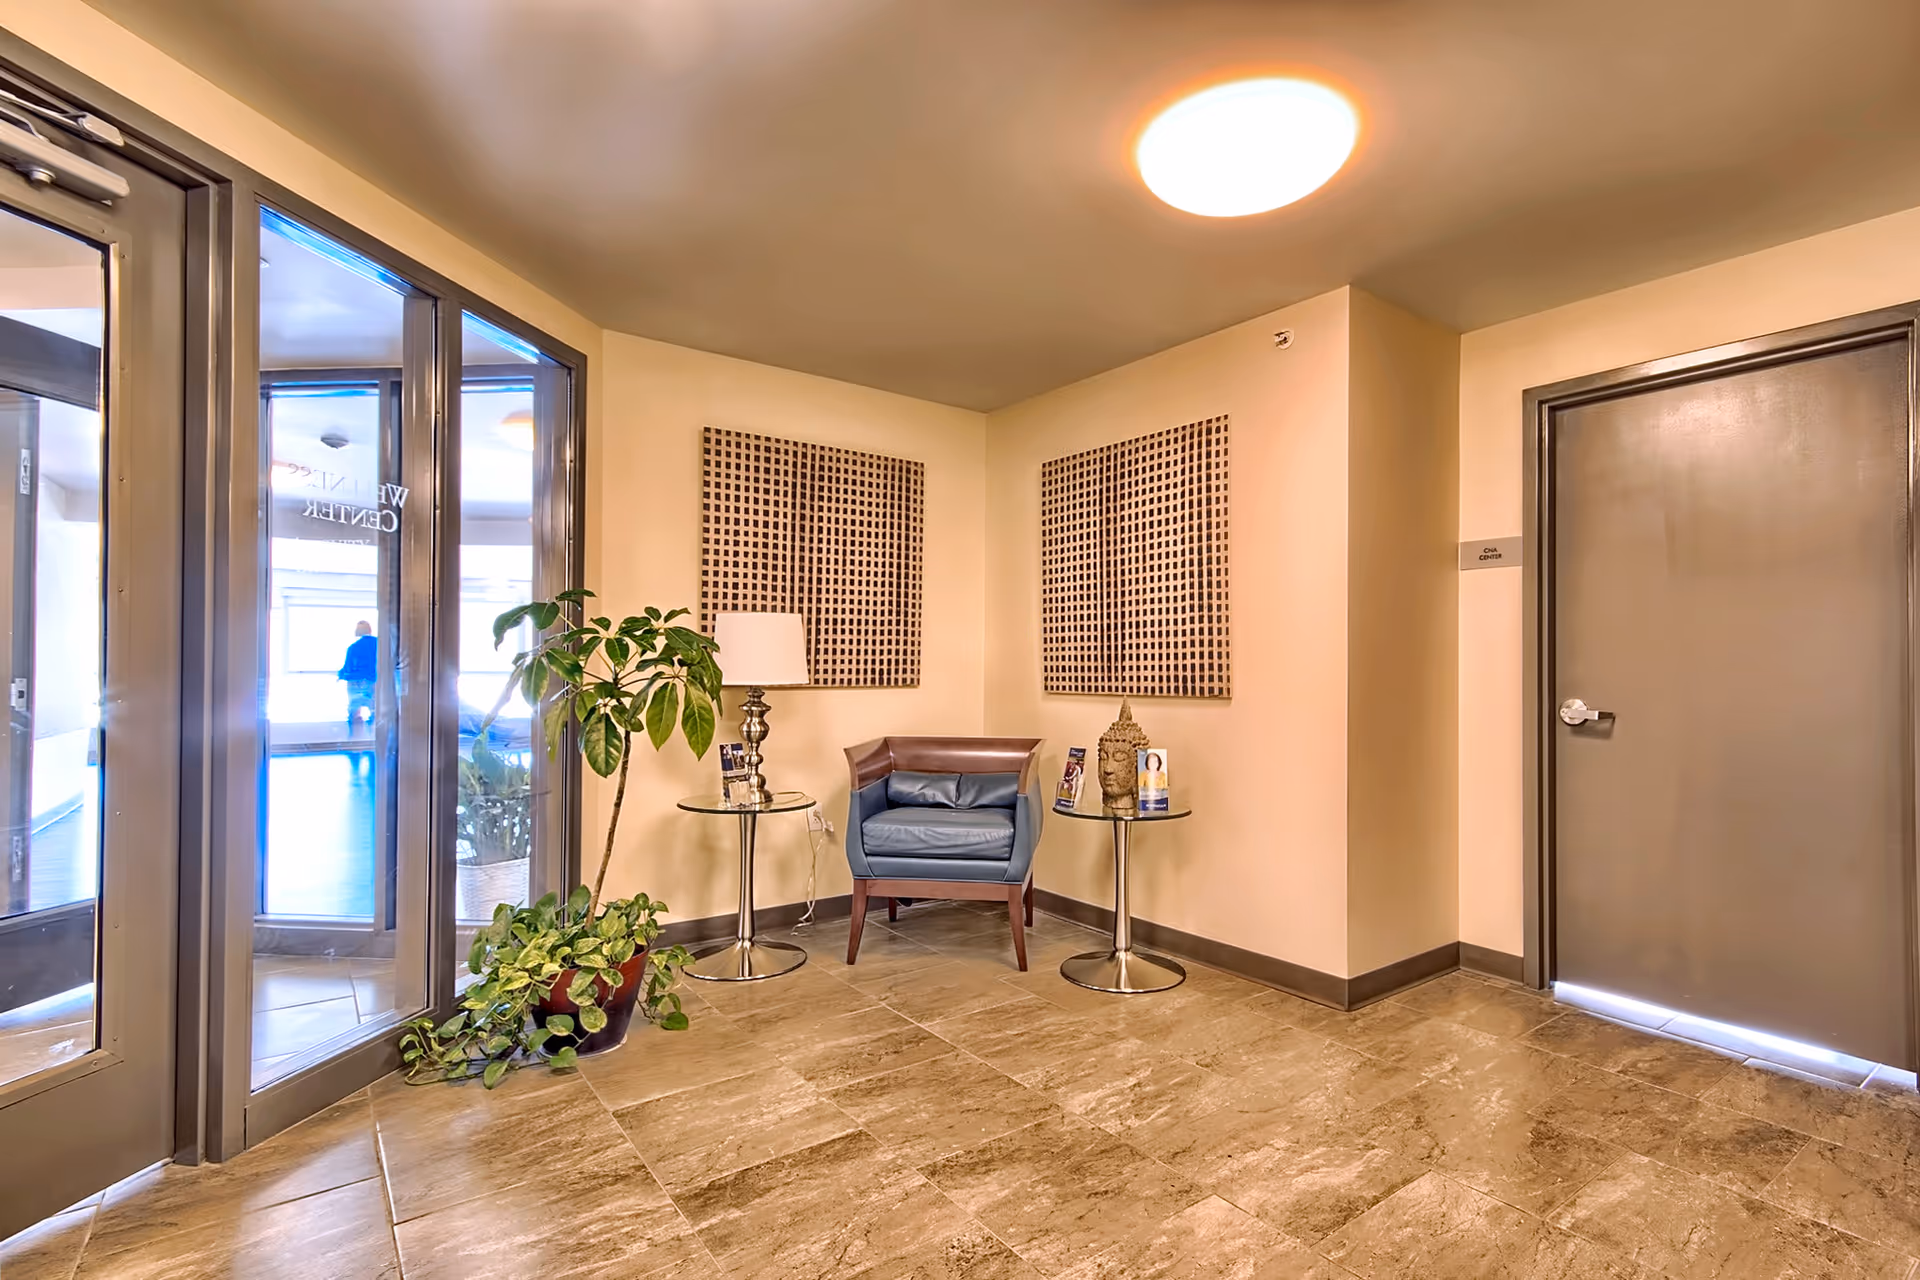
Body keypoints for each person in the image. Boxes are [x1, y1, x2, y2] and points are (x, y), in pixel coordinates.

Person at [339, 621, 378, 732]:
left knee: (354, 712)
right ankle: (373, 735)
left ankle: (355, 735)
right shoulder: (379, 644)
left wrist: (340, 675)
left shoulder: (353, 647)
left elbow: (348, 667)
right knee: (376, 712)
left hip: (355, 682)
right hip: (374, 681)